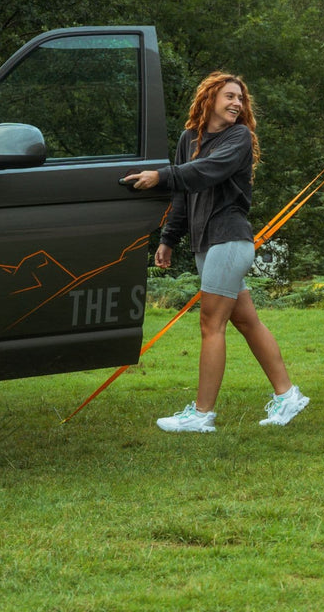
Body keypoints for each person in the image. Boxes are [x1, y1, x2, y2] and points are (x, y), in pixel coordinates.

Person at [122, 71, 309, 433]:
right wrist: (167, 239)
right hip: (208, 244)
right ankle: (288, 396)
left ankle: (202, 413)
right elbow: (183, 194)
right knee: (245, 321)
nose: (237, 103)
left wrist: (160, 175)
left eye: (241, 98)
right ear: (210, 99)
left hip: (229, 240)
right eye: (230, 96)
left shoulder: (239, 137)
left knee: (211, 324)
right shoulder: (188, 139)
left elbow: (205, 172)